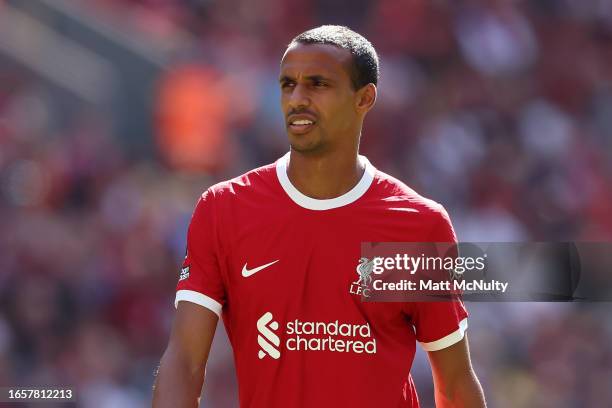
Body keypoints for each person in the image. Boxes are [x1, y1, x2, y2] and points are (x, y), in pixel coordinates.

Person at [153, 25, 486, 408]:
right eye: (288, 84)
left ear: (364, 98)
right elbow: (184, 361)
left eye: (318, 84)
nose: (298, 98)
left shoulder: (416, 224)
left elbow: (456, 384)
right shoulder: (224, 208)